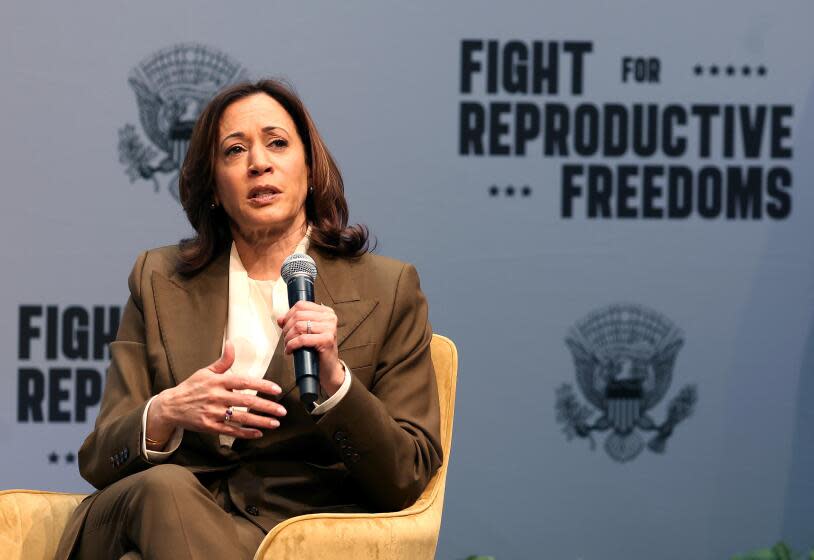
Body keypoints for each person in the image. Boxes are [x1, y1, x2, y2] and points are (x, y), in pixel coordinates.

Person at [55, 79, 443, 560]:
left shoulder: (388, 288)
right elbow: (99, 457)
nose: (259, 162)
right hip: (145, 507)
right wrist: (168, 411)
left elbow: (406, 478)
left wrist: (336, 382)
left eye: (277, 143)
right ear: (215, 186)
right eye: (234, 151)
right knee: (167, 489)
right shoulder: (157, 279)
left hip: (285, 531)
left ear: (309, 167)